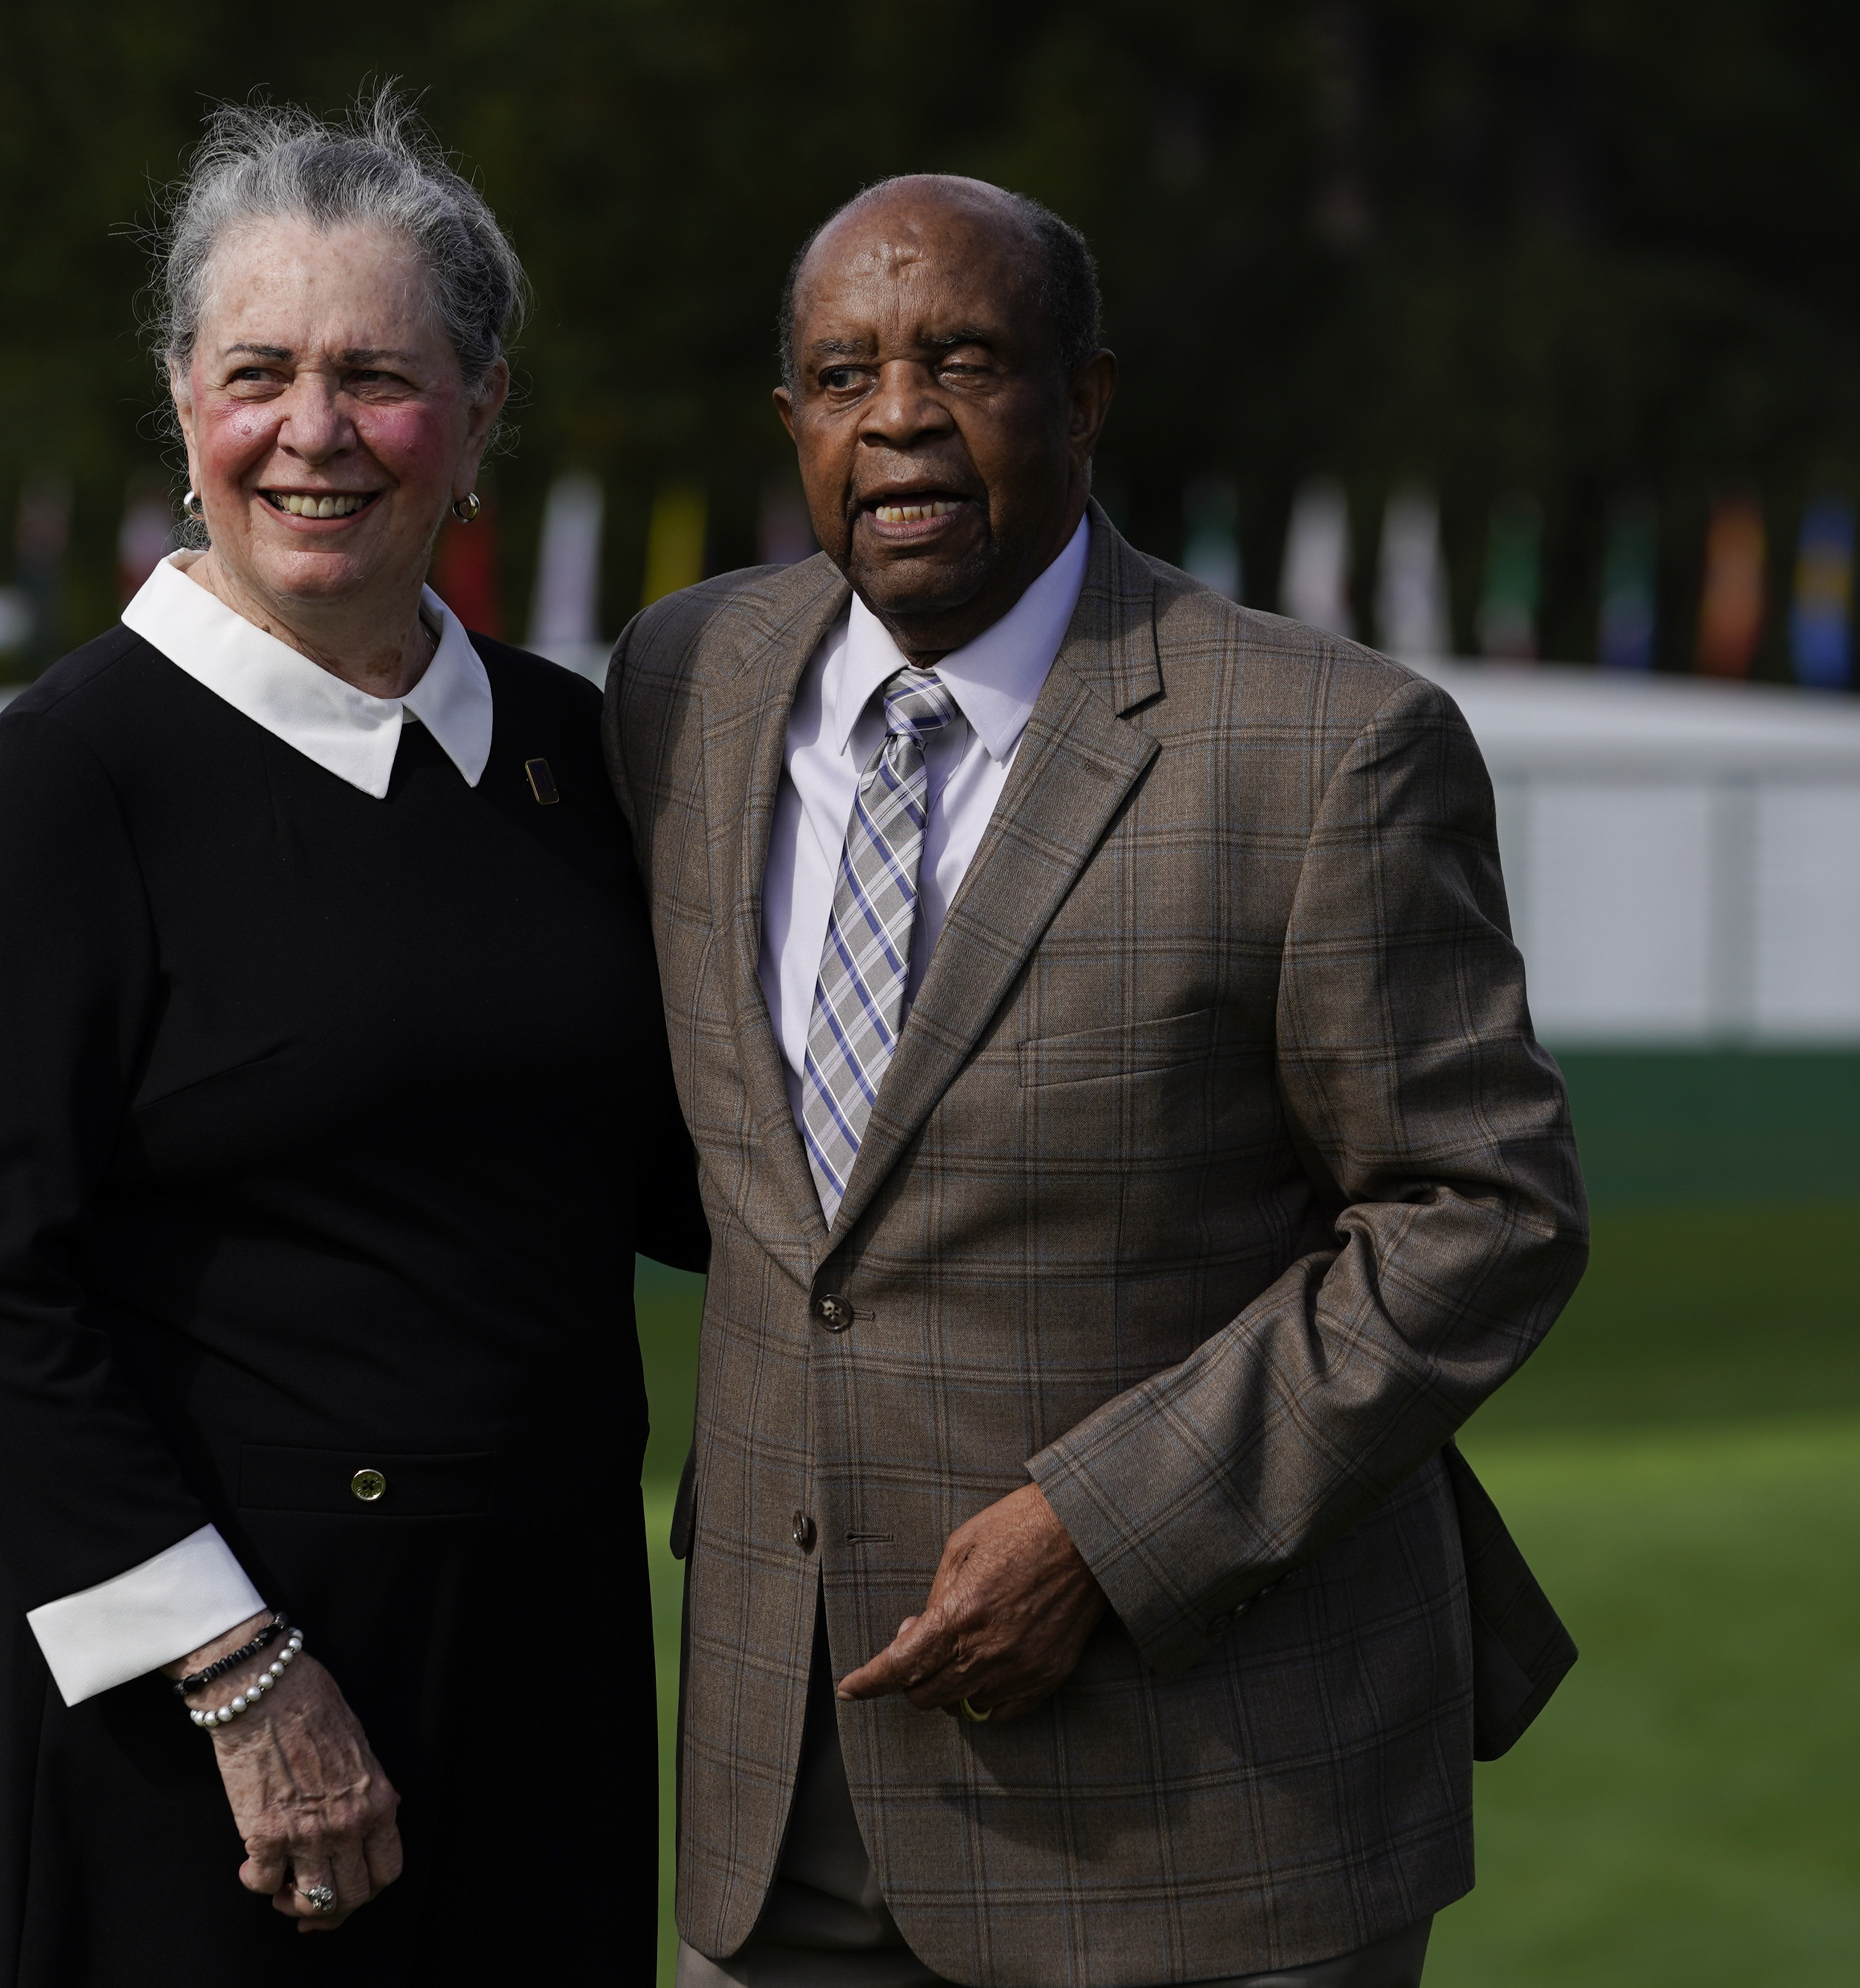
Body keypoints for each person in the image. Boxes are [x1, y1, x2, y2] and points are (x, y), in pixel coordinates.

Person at [605, 176, 1588, 1988]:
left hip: (1208, 1808)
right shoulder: (685, 681)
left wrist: (1102, 1527)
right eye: (842, 374)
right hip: (790, 1788)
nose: (897, 414)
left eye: (962, 358)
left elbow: (1482, 1214)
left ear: (1087, 397)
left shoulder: (1323, 746)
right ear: (790, 425)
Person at [0, 94, 701, 1986]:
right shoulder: (68, 781)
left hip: (537, 1670)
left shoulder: (581, 755)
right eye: (259, 373)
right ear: (182, 401)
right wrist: (242, 1681)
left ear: (483, 414)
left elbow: (687, 1176)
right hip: (204, 1729)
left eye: (379, 379)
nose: (312, 433)